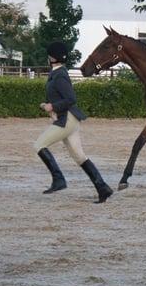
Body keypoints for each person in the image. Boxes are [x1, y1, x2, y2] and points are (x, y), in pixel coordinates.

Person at [34, 41, 113, 203]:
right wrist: (49, 105)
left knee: (39, 144)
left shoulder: (60, 74)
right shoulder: (57, 72)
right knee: (79, 156)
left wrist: (52, 106)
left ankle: (59, 180)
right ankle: (103, 188)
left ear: (52, 58)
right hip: (69, 119)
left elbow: (70, 99)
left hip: (67, 120)